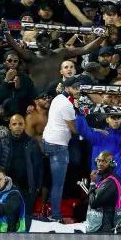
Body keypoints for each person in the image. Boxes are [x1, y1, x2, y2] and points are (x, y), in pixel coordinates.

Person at [42, 77, 78, 221]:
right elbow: (74, 130)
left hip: (47, 141)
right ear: (67, 88)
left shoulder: (58, 98)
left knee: (50, 181)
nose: (78, 90)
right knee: (58, 184)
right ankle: (55, 215)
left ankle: (47, 209)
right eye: (75, 87)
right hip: (58, 146)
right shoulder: (66, 105)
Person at [85, 151, 121, 233]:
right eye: (99, 160)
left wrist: (92, 183)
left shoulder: (110, 182)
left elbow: (93, 203)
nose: (100, 164)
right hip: (103, 227)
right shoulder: (106, 180)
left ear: (111, 164)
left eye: (104, 161)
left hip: (104, 229)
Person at [0, 165, 26, 232]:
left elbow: (8, 209)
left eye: (0, 179)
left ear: (5, 178)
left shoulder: (14, 193)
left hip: (12, 234)